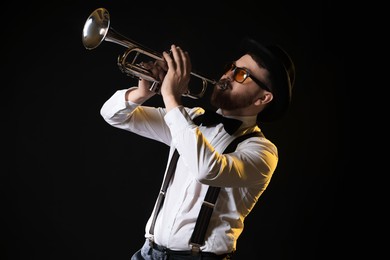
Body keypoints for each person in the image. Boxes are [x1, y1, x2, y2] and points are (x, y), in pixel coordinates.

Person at [100, 37, 295, 260]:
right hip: (147, 253)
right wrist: (144, 92)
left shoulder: (263, 152)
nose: (227, 77)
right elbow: (113, 116)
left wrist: (171, 97)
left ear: (263, 98)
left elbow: (207, 169)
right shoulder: (190, 119)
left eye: (242, 75)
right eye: (231, 68)